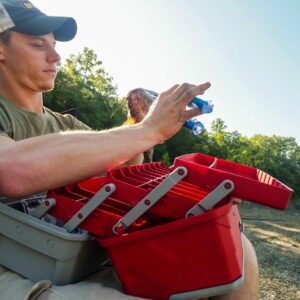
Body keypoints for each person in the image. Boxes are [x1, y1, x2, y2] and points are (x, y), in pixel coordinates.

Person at [0, 1, 259, 299]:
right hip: (14, 268)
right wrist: (145, 130)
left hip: (83, 254)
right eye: (37, 44)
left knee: (237, 254)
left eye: (55, 44)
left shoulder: (66, 123)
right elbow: (11, 170)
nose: (56, 55)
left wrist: (143, 128)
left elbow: (120, 167)